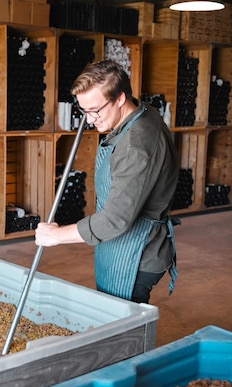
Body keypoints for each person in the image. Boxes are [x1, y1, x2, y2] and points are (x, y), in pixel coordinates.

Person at [35, 60, 179, 303]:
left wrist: (56, 236)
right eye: (84, 111)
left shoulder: (136, 146)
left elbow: (115, 220)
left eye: (95, 110)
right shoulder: (141, 112)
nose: (90, 120)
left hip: (135, 254)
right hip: (121, 244)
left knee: (121, 327)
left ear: (120, 98)